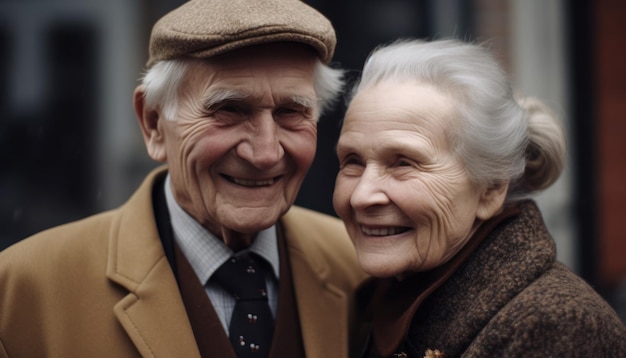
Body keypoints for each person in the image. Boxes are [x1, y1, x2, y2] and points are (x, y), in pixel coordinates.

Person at [0, 0, 367, 357]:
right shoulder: (20, 293)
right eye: (228, 110)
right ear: (154, 124)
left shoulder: (359, 267)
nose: (266, 153)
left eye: (291, 112)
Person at [333, 38, 626, 357]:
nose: (362, 195)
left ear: (491, 188)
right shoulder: (376, 302)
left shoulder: (555, 326)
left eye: (404, 163)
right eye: (353, 161)